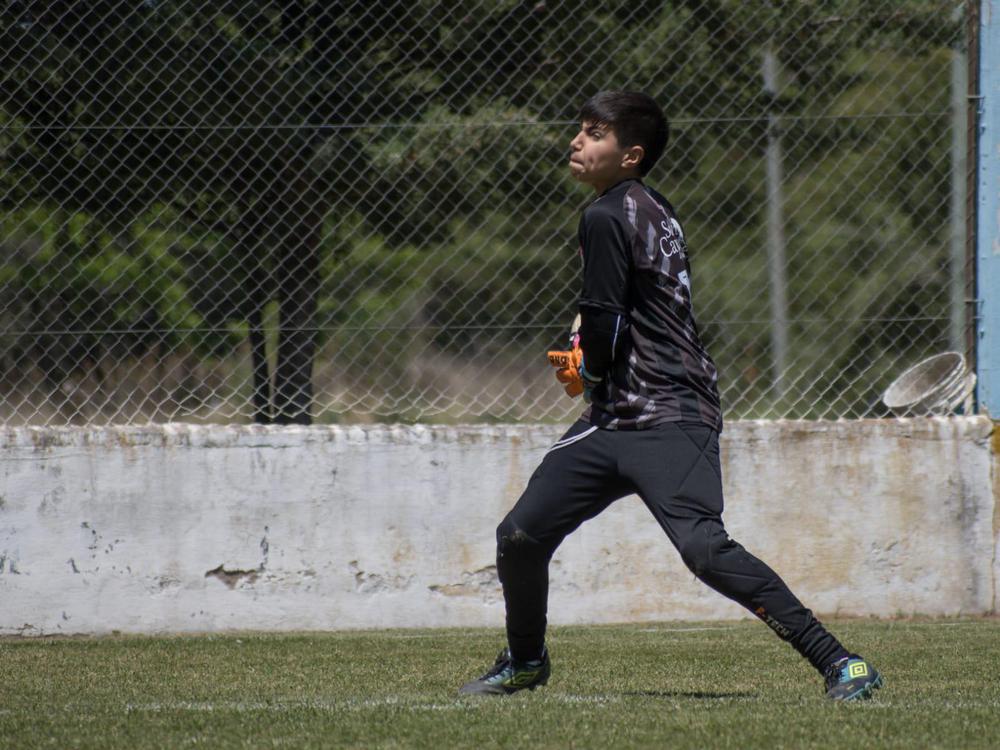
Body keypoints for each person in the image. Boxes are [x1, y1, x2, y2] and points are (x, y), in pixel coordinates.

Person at [458, 91, 882, 702]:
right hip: (617, 419)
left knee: (704, 549)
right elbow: (624, 305)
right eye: (580, 130)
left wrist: (590, 364)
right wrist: (593, 351)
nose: (578, 141)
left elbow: (606, 316)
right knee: (521, 535)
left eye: (594, 134)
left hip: (670, 410)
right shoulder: (650, 207)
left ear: (630, 155)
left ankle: (842, 663)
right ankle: (525, 661)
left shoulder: (606, 214)